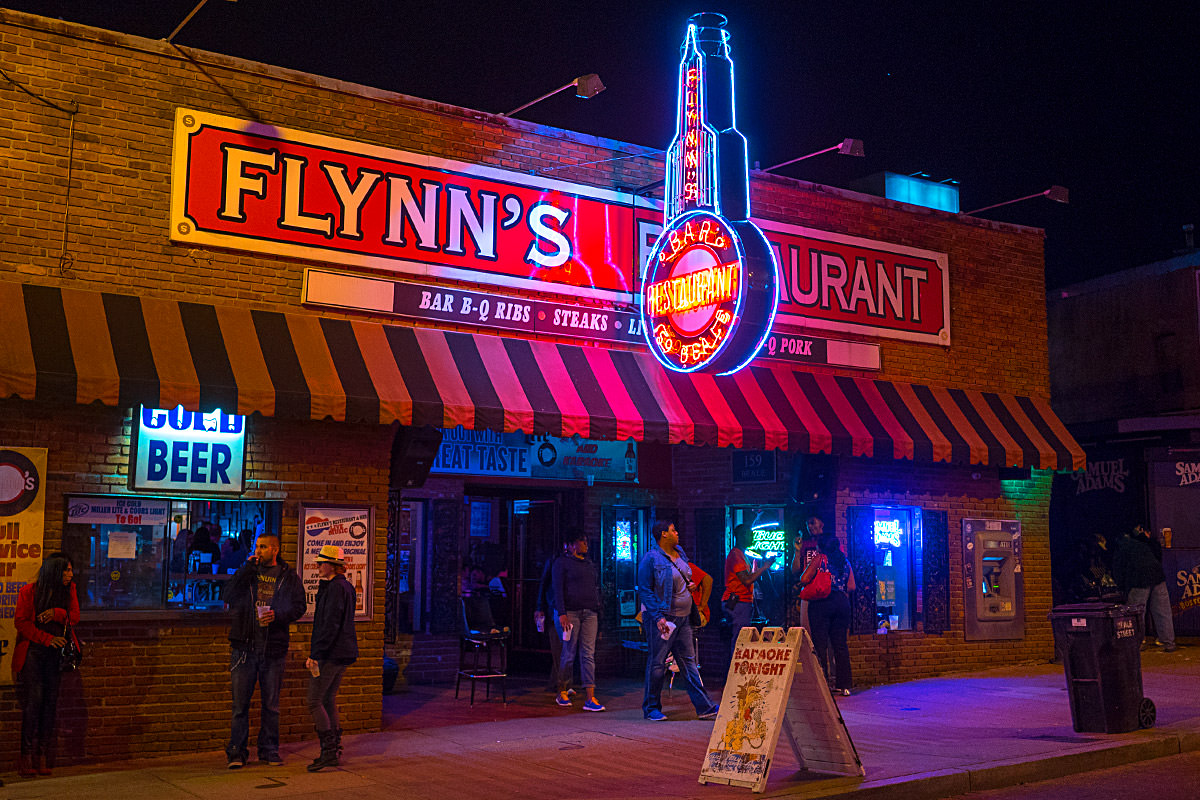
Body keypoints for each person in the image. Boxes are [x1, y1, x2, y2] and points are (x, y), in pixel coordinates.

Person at [222, 532, 306, 769]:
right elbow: (227, 595)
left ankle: (269, 750)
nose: (258, 551)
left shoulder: (288, 577)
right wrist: (246, 570)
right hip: (244, 647)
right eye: (257, 547)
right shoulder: (248, 573)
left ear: (274, 550)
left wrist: (278, 616)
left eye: (263, 547)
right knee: (240, 705)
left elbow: (300, 607)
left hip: (273, 648)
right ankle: (237, 753)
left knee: (271, 705)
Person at [637, 520, 719, 722]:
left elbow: (686, 577)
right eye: (673, 530)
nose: (677, 533)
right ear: (663, 534)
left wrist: (690, 587)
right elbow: (645, 590)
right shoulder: (651, 559)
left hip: (684, 618)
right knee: (657, 663)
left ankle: (704, 707)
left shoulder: (680, 553)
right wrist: (658, 617)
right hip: (664, 618)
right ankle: (651, 708)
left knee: (688, 662)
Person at [13, 552, 80, 778]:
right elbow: (21, 623)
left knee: (50, 704)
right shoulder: (29, 592)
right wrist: (47, 639)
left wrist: (57, 613)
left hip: (55, 656)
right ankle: (26, 755)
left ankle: (41, 755)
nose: (71, 574)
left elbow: (75, 617)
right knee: (34, 703)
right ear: (54, 571)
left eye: (71, 570)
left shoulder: (69, 591)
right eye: (66, 570)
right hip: (33, 652)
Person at [306, 544, 359, 772]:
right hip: (342, 652)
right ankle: (334, 748)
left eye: (321, 562)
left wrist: (316, 654)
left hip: (331, 653)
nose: (318, 565)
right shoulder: (342, 586)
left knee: (314, 700)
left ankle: (328, 751)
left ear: (332, 565)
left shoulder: (335, 588)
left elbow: (329, 624)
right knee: (328, 698)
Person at [551, 530, 605, 711]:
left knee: (588, 653)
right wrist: (562, 613)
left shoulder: (589, 564)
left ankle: (590, 696)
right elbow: (557, 589)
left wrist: (599, 609)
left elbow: (595, 588)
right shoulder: (562, 562)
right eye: (582, 541)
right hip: (571, 612)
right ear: (572, 544)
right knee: (568, 652)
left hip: (590, 612)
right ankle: (562, 690)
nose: (586, 544)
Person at [797, 532, 856, 695]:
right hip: (842, 604)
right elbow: (852, 586)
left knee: (820, 644)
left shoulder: (820, 558)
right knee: (840, 645)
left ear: (821, 547)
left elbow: (804, 578)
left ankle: (822, 684)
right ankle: (844, 686)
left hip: (822, 602)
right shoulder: (845, 561)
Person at [1113, 525, 1177, 652]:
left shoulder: (1122, 549)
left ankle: (1138, 642)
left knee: (1136, 612)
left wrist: (1121, 587)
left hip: (1139, 579)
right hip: (1158, 575)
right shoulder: (1141, 545)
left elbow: (1118, 570)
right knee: (1162, 611)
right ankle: (1168, 641)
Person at [722, 522, 776, 652]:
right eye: (750, 535)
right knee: (740, 639)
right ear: (741, 535)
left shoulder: (742, 554)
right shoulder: (736, 555)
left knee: (740, 638)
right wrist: (765, 567)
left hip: (740, 601)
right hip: (738, 601)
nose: (752, 538)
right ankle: (734, 669)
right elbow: (746, 580)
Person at [535, 541, 570, 694]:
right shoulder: (557, 562)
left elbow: (544, 584)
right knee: (560, 648)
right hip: (555, 608)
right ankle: (561, 684)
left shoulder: (560, 561)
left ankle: (559, 683)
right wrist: (540, 607)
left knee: (563, 649)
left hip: (557, 607)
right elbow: (545, 584)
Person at [789, 517, 822, 630]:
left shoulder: (828, 542)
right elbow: (794, 570)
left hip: (824, 591)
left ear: (821, 523)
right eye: (808, 524)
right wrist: (797, 551)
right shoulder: (805, 544)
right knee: (806, 630)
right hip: (808, 591)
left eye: (813, 523)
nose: (810, 527)